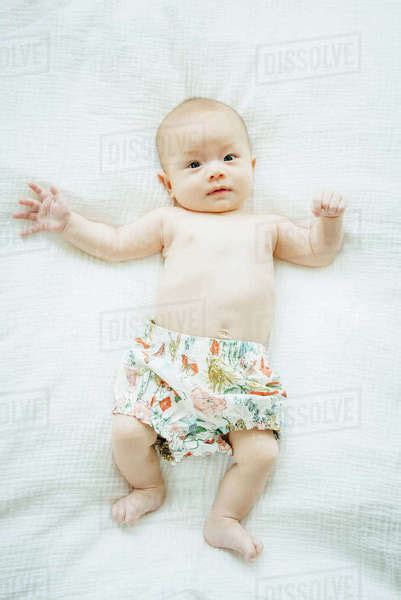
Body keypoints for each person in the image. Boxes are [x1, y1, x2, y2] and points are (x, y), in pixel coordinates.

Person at [12, 96, 346, 562]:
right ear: (167, 184)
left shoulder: (265, 225)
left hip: (239, 369)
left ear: (252, 164)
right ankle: (148, 486)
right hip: (169, 360)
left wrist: (328, 223)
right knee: (127, 431)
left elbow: (317, 251)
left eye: (229, 158)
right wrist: (68, 223)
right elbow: (114, 244)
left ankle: (224, 518)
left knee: (262, 453)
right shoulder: (171, 220)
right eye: (195, 164)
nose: (216, 171)